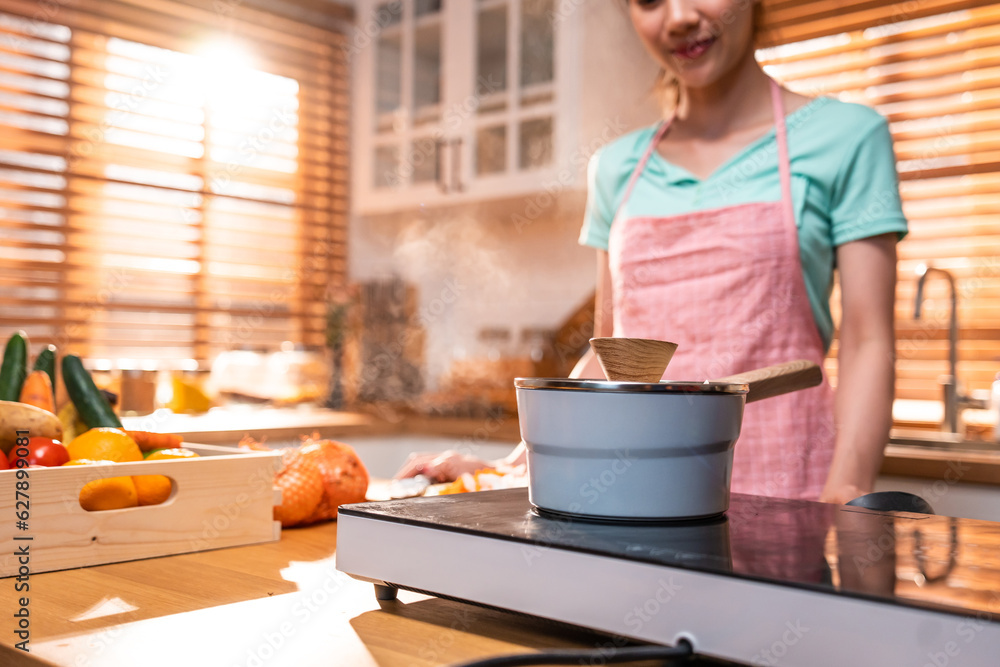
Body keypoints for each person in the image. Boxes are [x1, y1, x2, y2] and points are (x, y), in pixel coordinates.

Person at [396, 0, 906, 505]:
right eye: (649, 0)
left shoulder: (846, 139)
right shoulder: (616, 167)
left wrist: (847, 491)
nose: (679, 16)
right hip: (633, 498)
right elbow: (610, 349)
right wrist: (510, 467)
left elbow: (868, 341)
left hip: (791, 496)